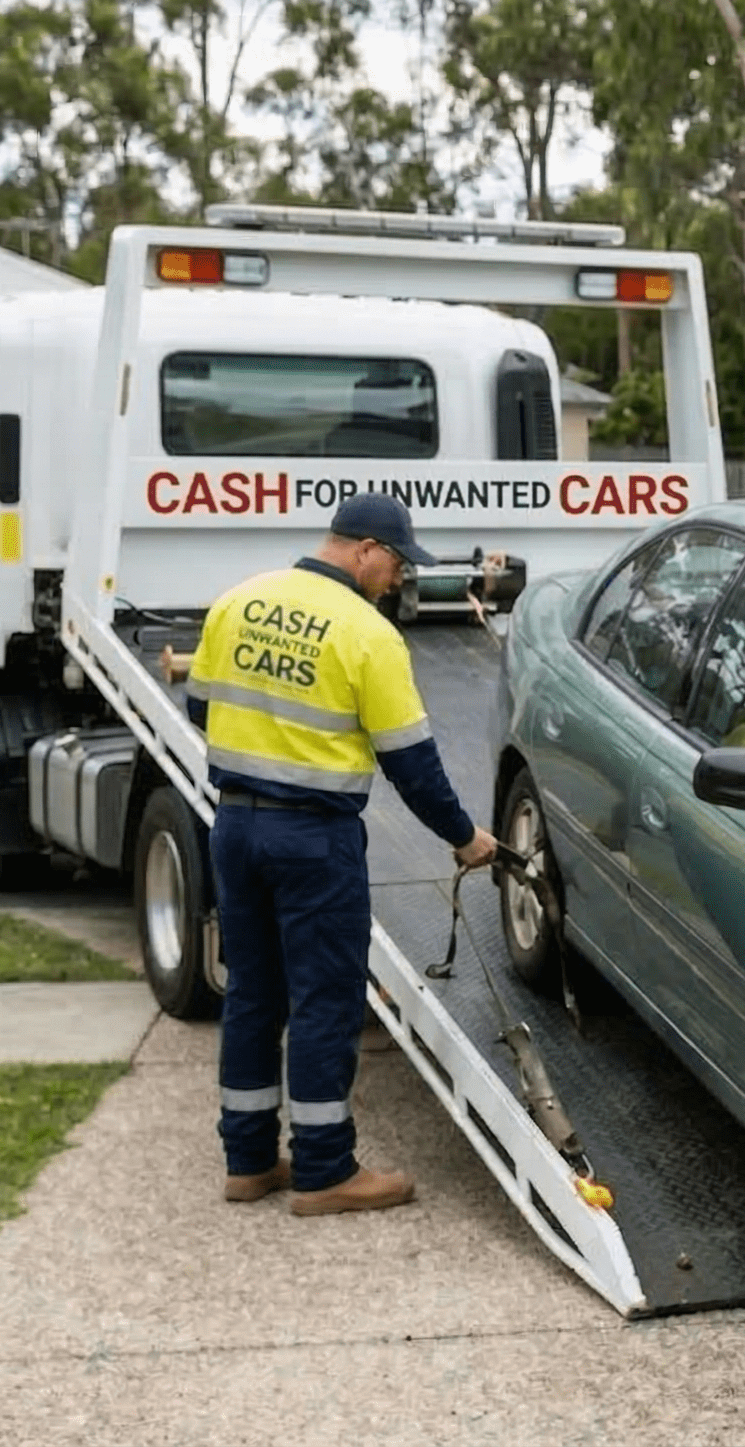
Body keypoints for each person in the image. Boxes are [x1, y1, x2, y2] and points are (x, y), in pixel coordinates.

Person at [185, 492, 499, 1215]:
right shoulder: (367, 633)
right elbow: (412, 764)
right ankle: (325, 1169)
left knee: (254, 994)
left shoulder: (239, 601)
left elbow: (203, 707)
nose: (397, 579)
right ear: (364, 549)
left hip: (233, 827)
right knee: (325, 999)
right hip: (313, 840)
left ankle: (249, 1161)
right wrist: (463, 836)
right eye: (395, 564)